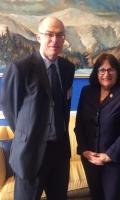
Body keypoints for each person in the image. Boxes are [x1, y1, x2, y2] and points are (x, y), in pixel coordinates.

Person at [0, 17, 75, 200]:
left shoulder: (67, 68)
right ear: (38, 37)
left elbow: (64, 105)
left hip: (59, 152)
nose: (54, 40)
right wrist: (26, 135)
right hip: (30, 154)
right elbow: (10, 108)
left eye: (60, 35)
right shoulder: (20, 68)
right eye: (49, 34)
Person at [74, 53, 120, 200]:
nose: (106, 74)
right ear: (96, 73)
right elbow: (79, 125)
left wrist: (108, 156)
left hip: (115, 162)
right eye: (102, 70)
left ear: (117, 72)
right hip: (90, 160)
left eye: (111, 70)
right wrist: (84, 151)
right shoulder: (87, 92)